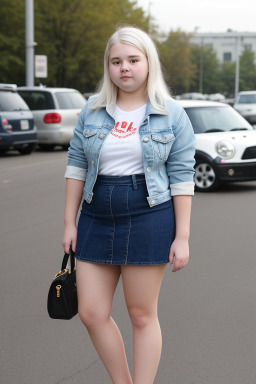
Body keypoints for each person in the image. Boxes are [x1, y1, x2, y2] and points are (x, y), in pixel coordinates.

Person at [62, 25, 196, 384]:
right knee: (91, 312)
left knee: (140, 314)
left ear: (148, 63)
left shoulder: (172, 115)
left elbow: (183, 178)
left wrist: (182, 236)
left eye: (133, 60)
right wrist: (69, 223)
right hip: (95, 214)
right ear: (108, 66)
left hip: (148, 212)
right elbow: (76, 166)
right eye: (116, 61)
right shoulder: (92, 111)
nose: (125, 68)